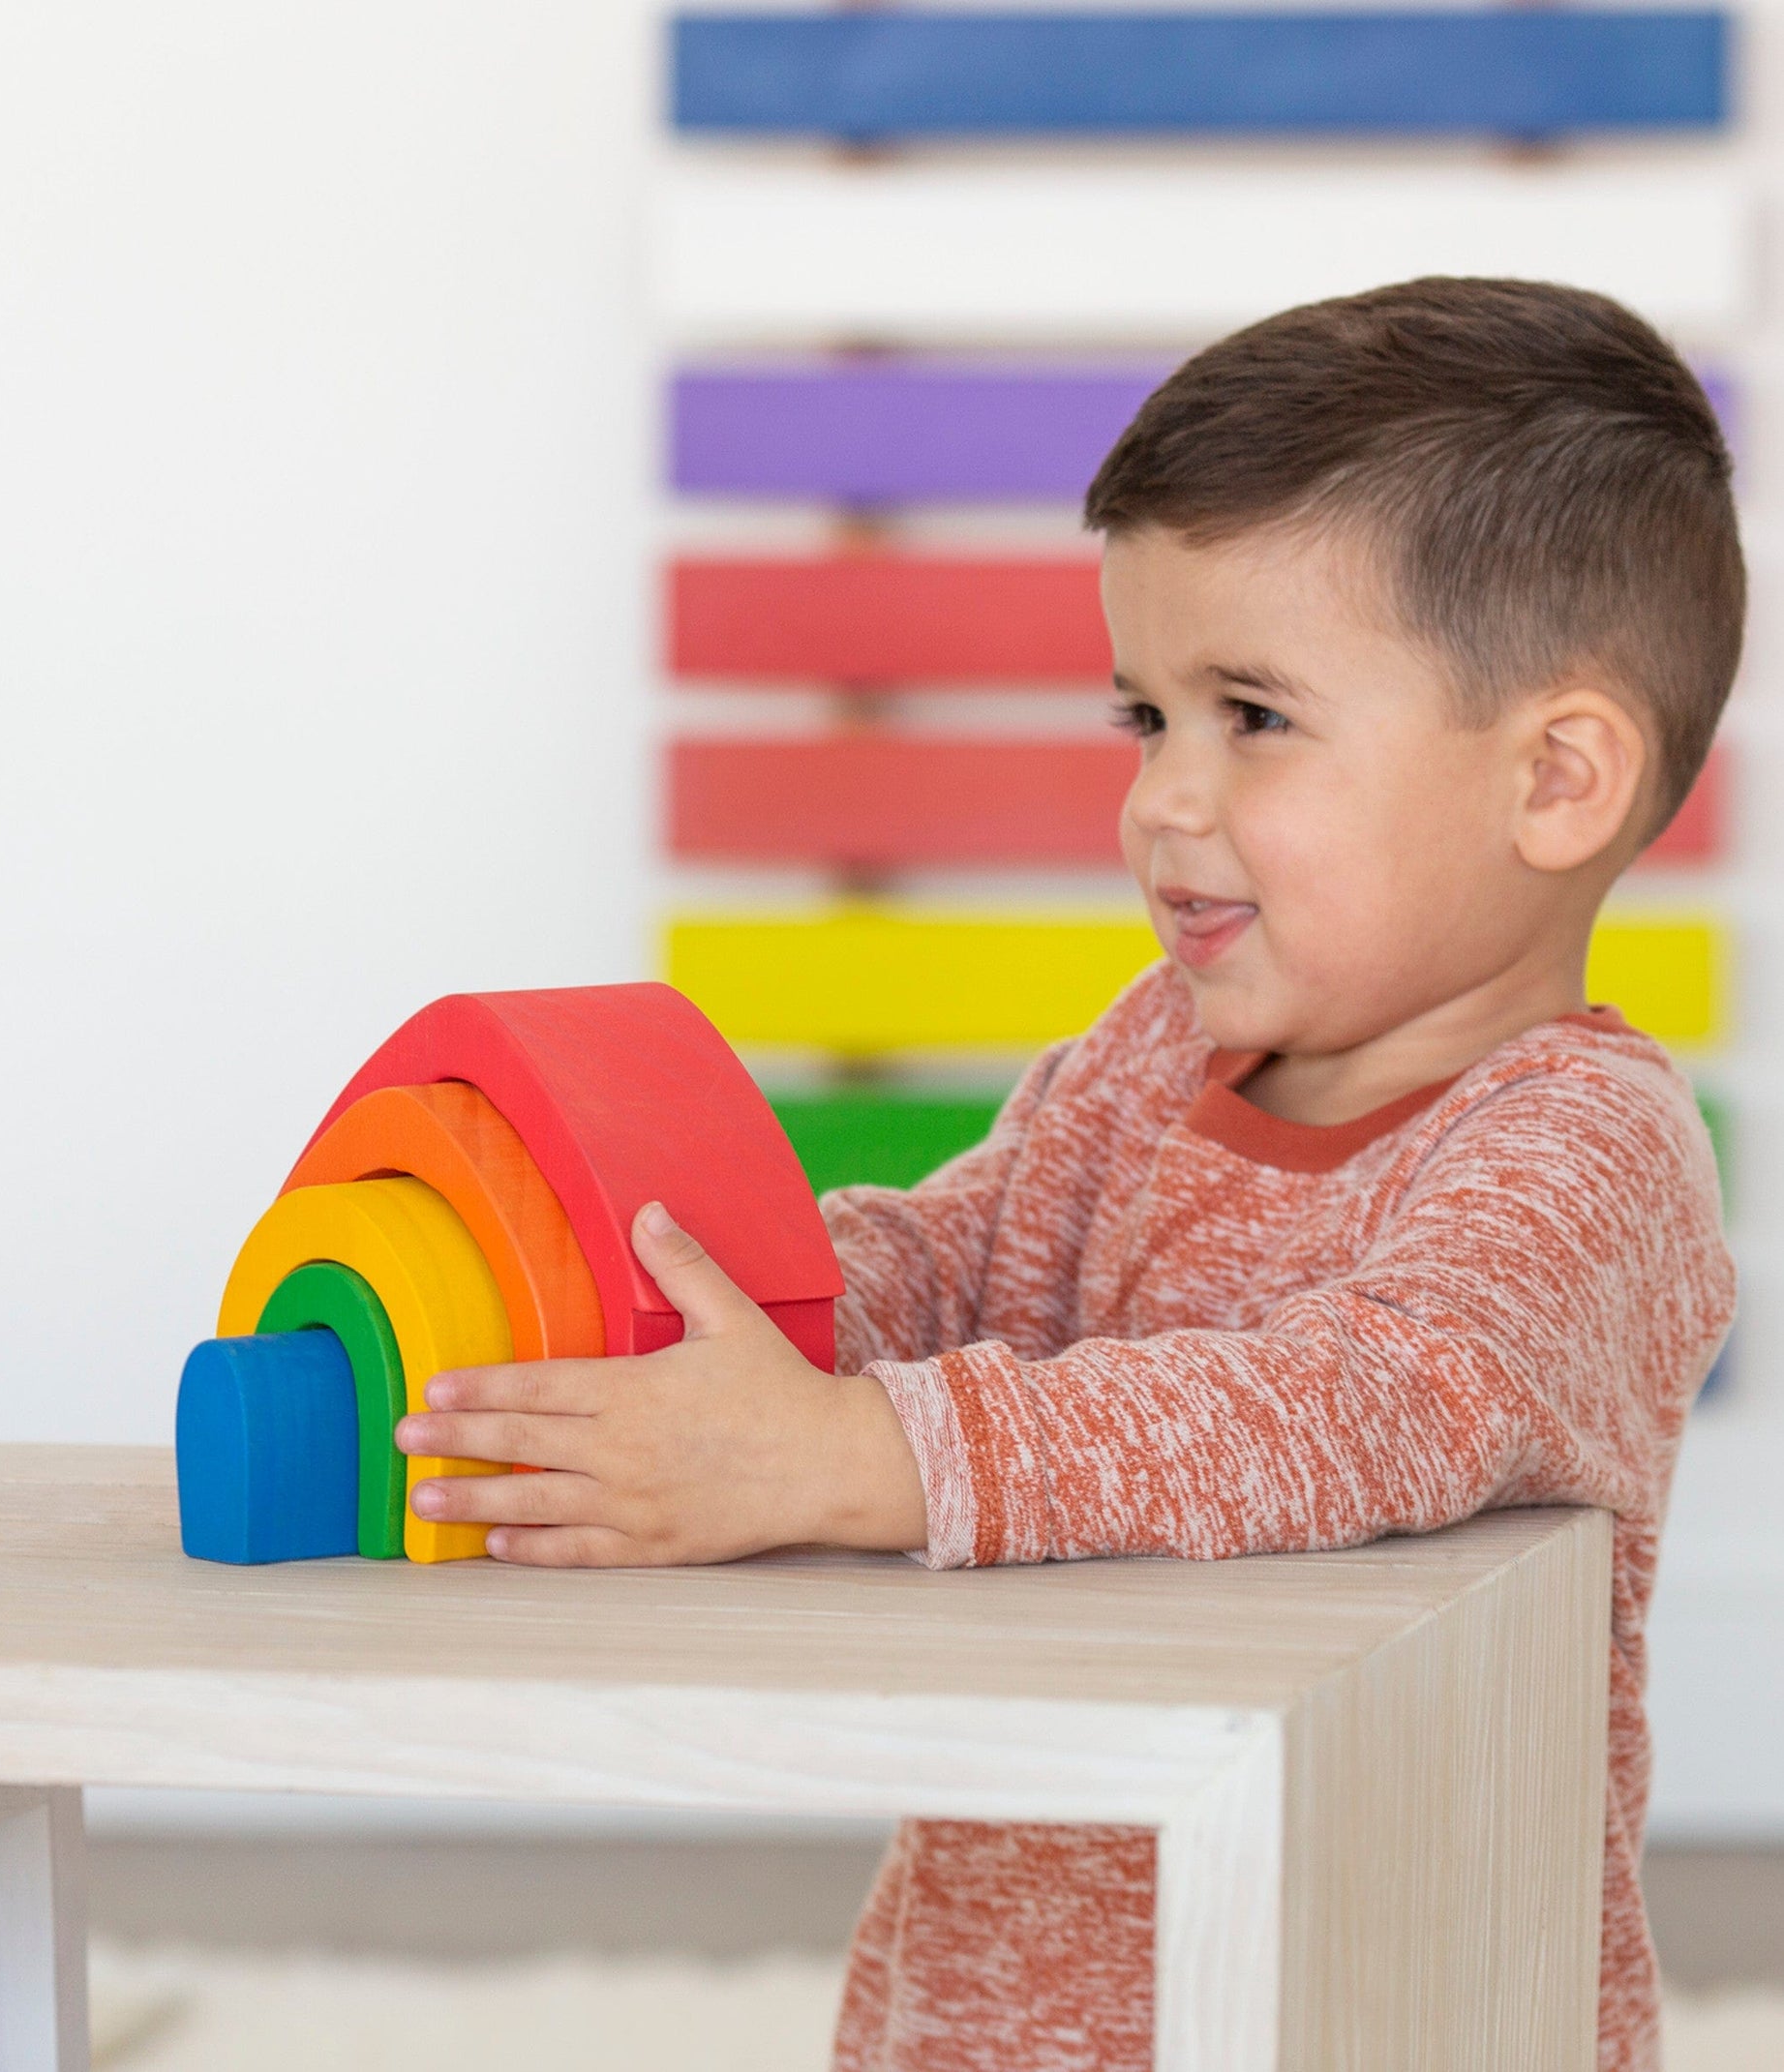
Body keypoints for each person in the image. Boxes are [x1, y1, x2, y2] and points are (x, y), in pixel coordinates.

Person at [395, 276, 1739, 2071]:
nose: (1162, 803)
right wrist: (699, 1323)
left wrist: (849, 1452)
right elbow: (960, 1257)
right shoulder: (1151, 1055)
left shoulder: (1585, 1148)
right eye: (1144, 717)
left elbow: (1360, 1406)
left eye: (1250, 716)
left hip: (1377, 2011)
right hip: (1001, 1997)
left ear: (1557, 779)